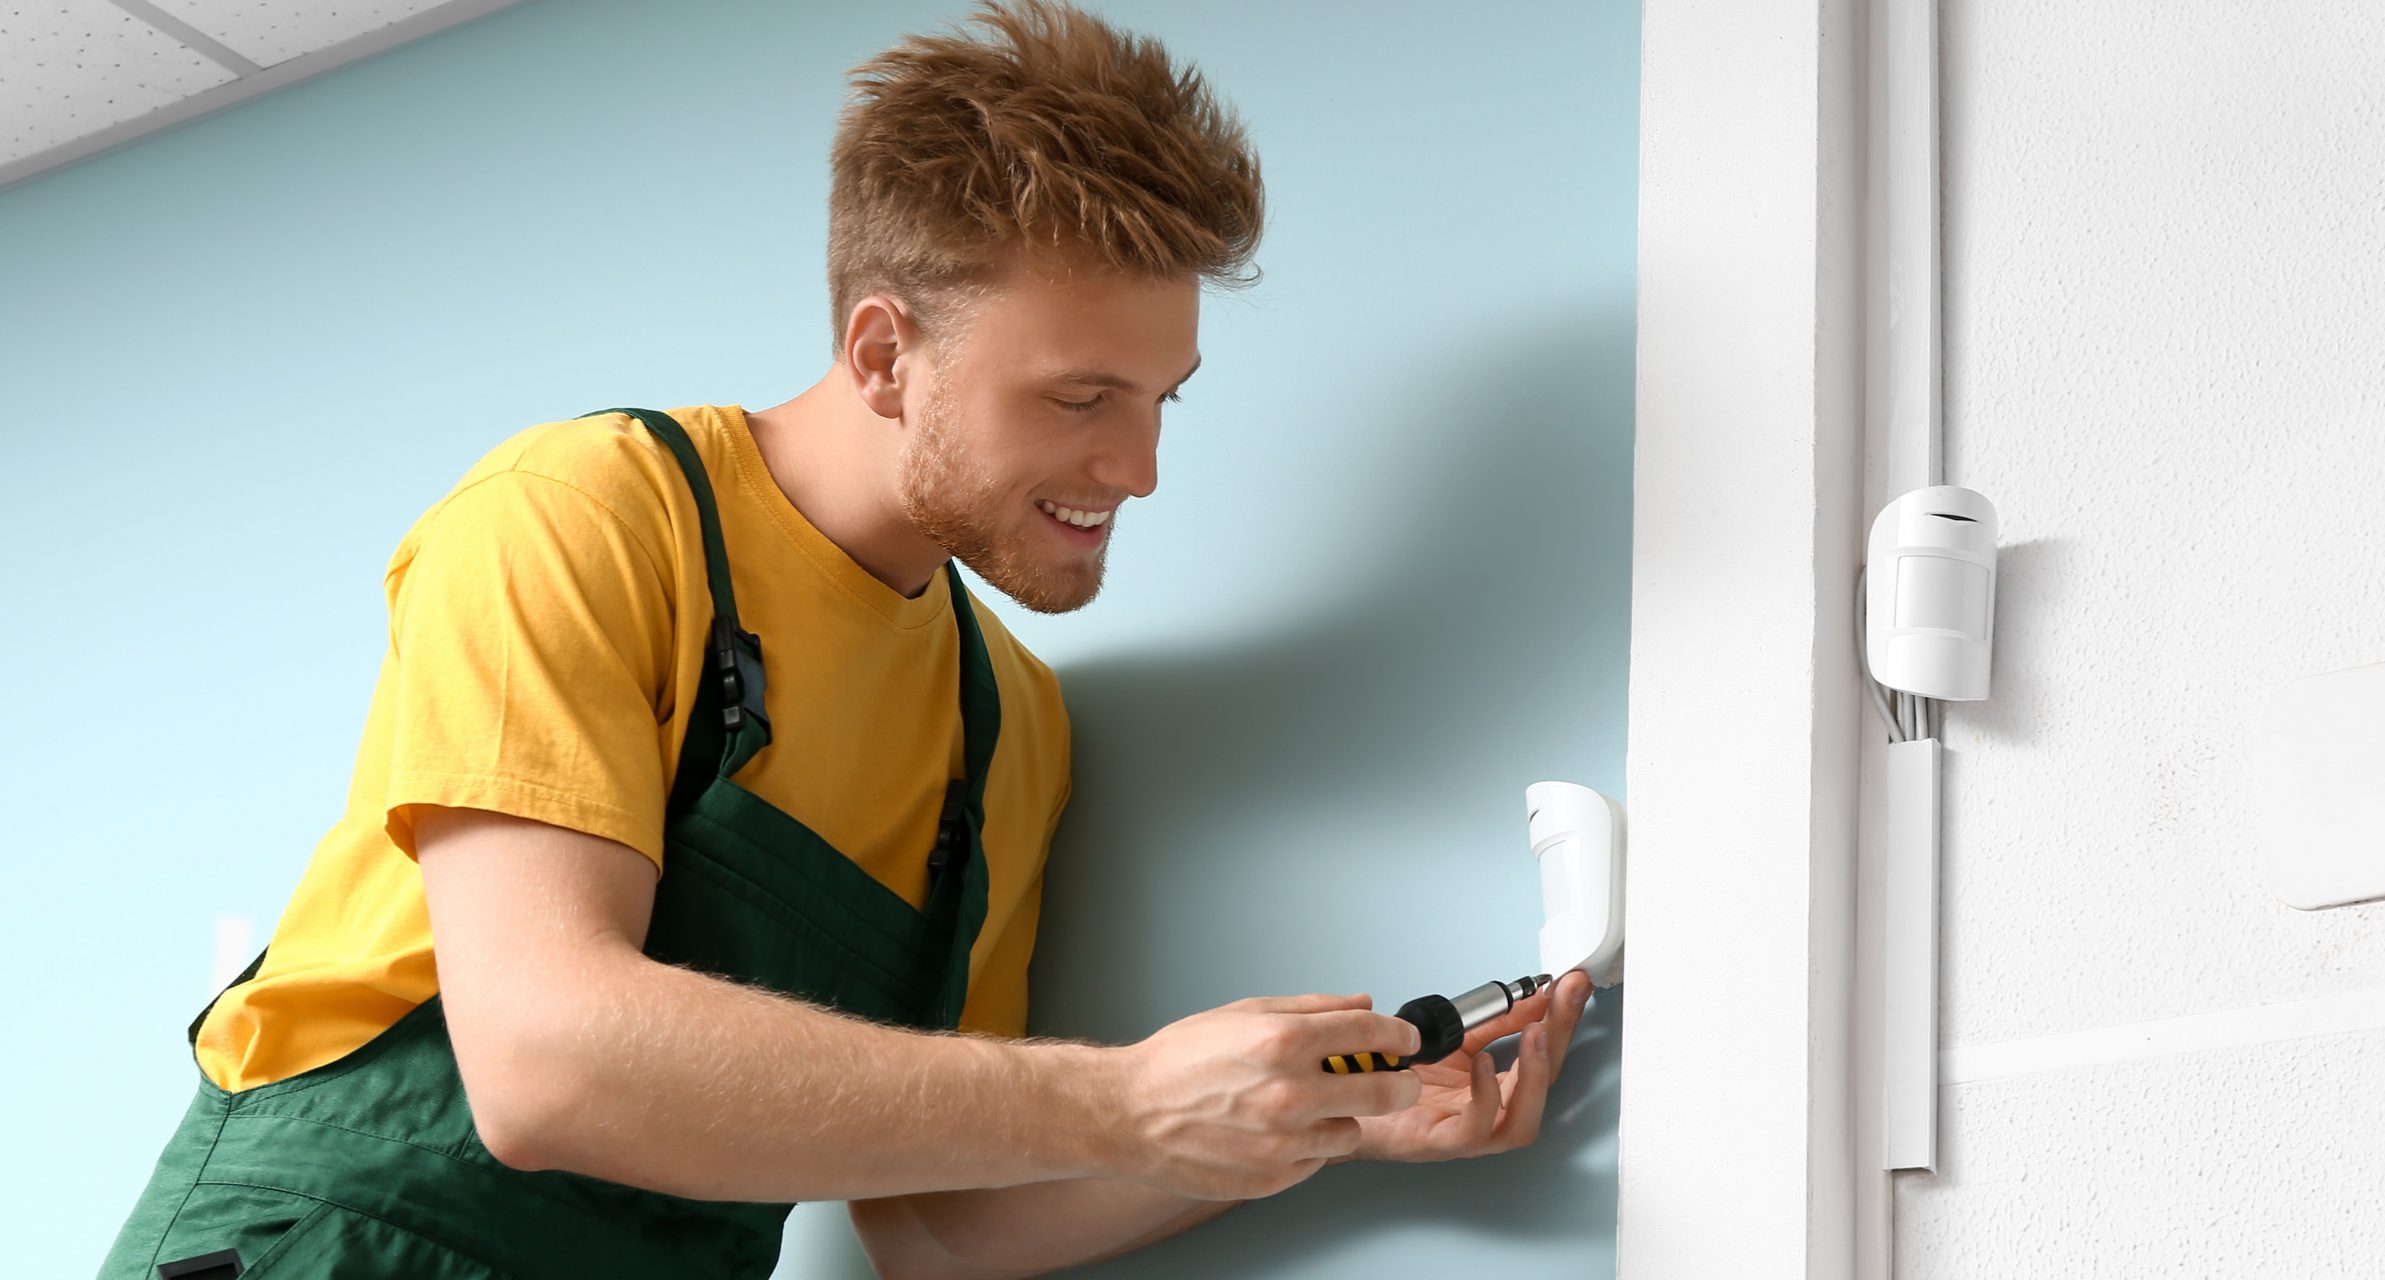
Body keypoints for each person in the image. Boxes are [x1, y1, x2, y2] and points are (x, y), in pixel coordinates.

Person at [100, 3, 1592, 1276]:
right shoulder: (589, 518)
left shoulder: (1004, 724)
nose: (1138, 470)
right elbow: (543, 1062)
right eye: (1081, 398)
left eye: (1162, 399)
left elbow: (939, 1227)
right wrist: (1122, 1098)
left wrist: (1319, 1128)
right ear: (885, 353)